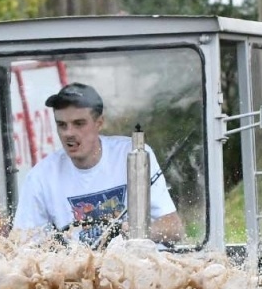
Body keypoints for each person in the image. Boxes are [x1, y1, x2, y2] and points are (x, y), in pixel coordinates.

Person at [11, 83, 184, 245]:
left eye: (79, 124)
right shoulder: (41, 177)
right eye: (62, 125)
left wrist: (137, 232)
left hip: (135, 268)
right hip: (79, 274)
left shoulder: (134, 154)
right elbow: (24, 245)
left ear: (99, 123)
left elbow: (174, 229)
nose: (69, 133)